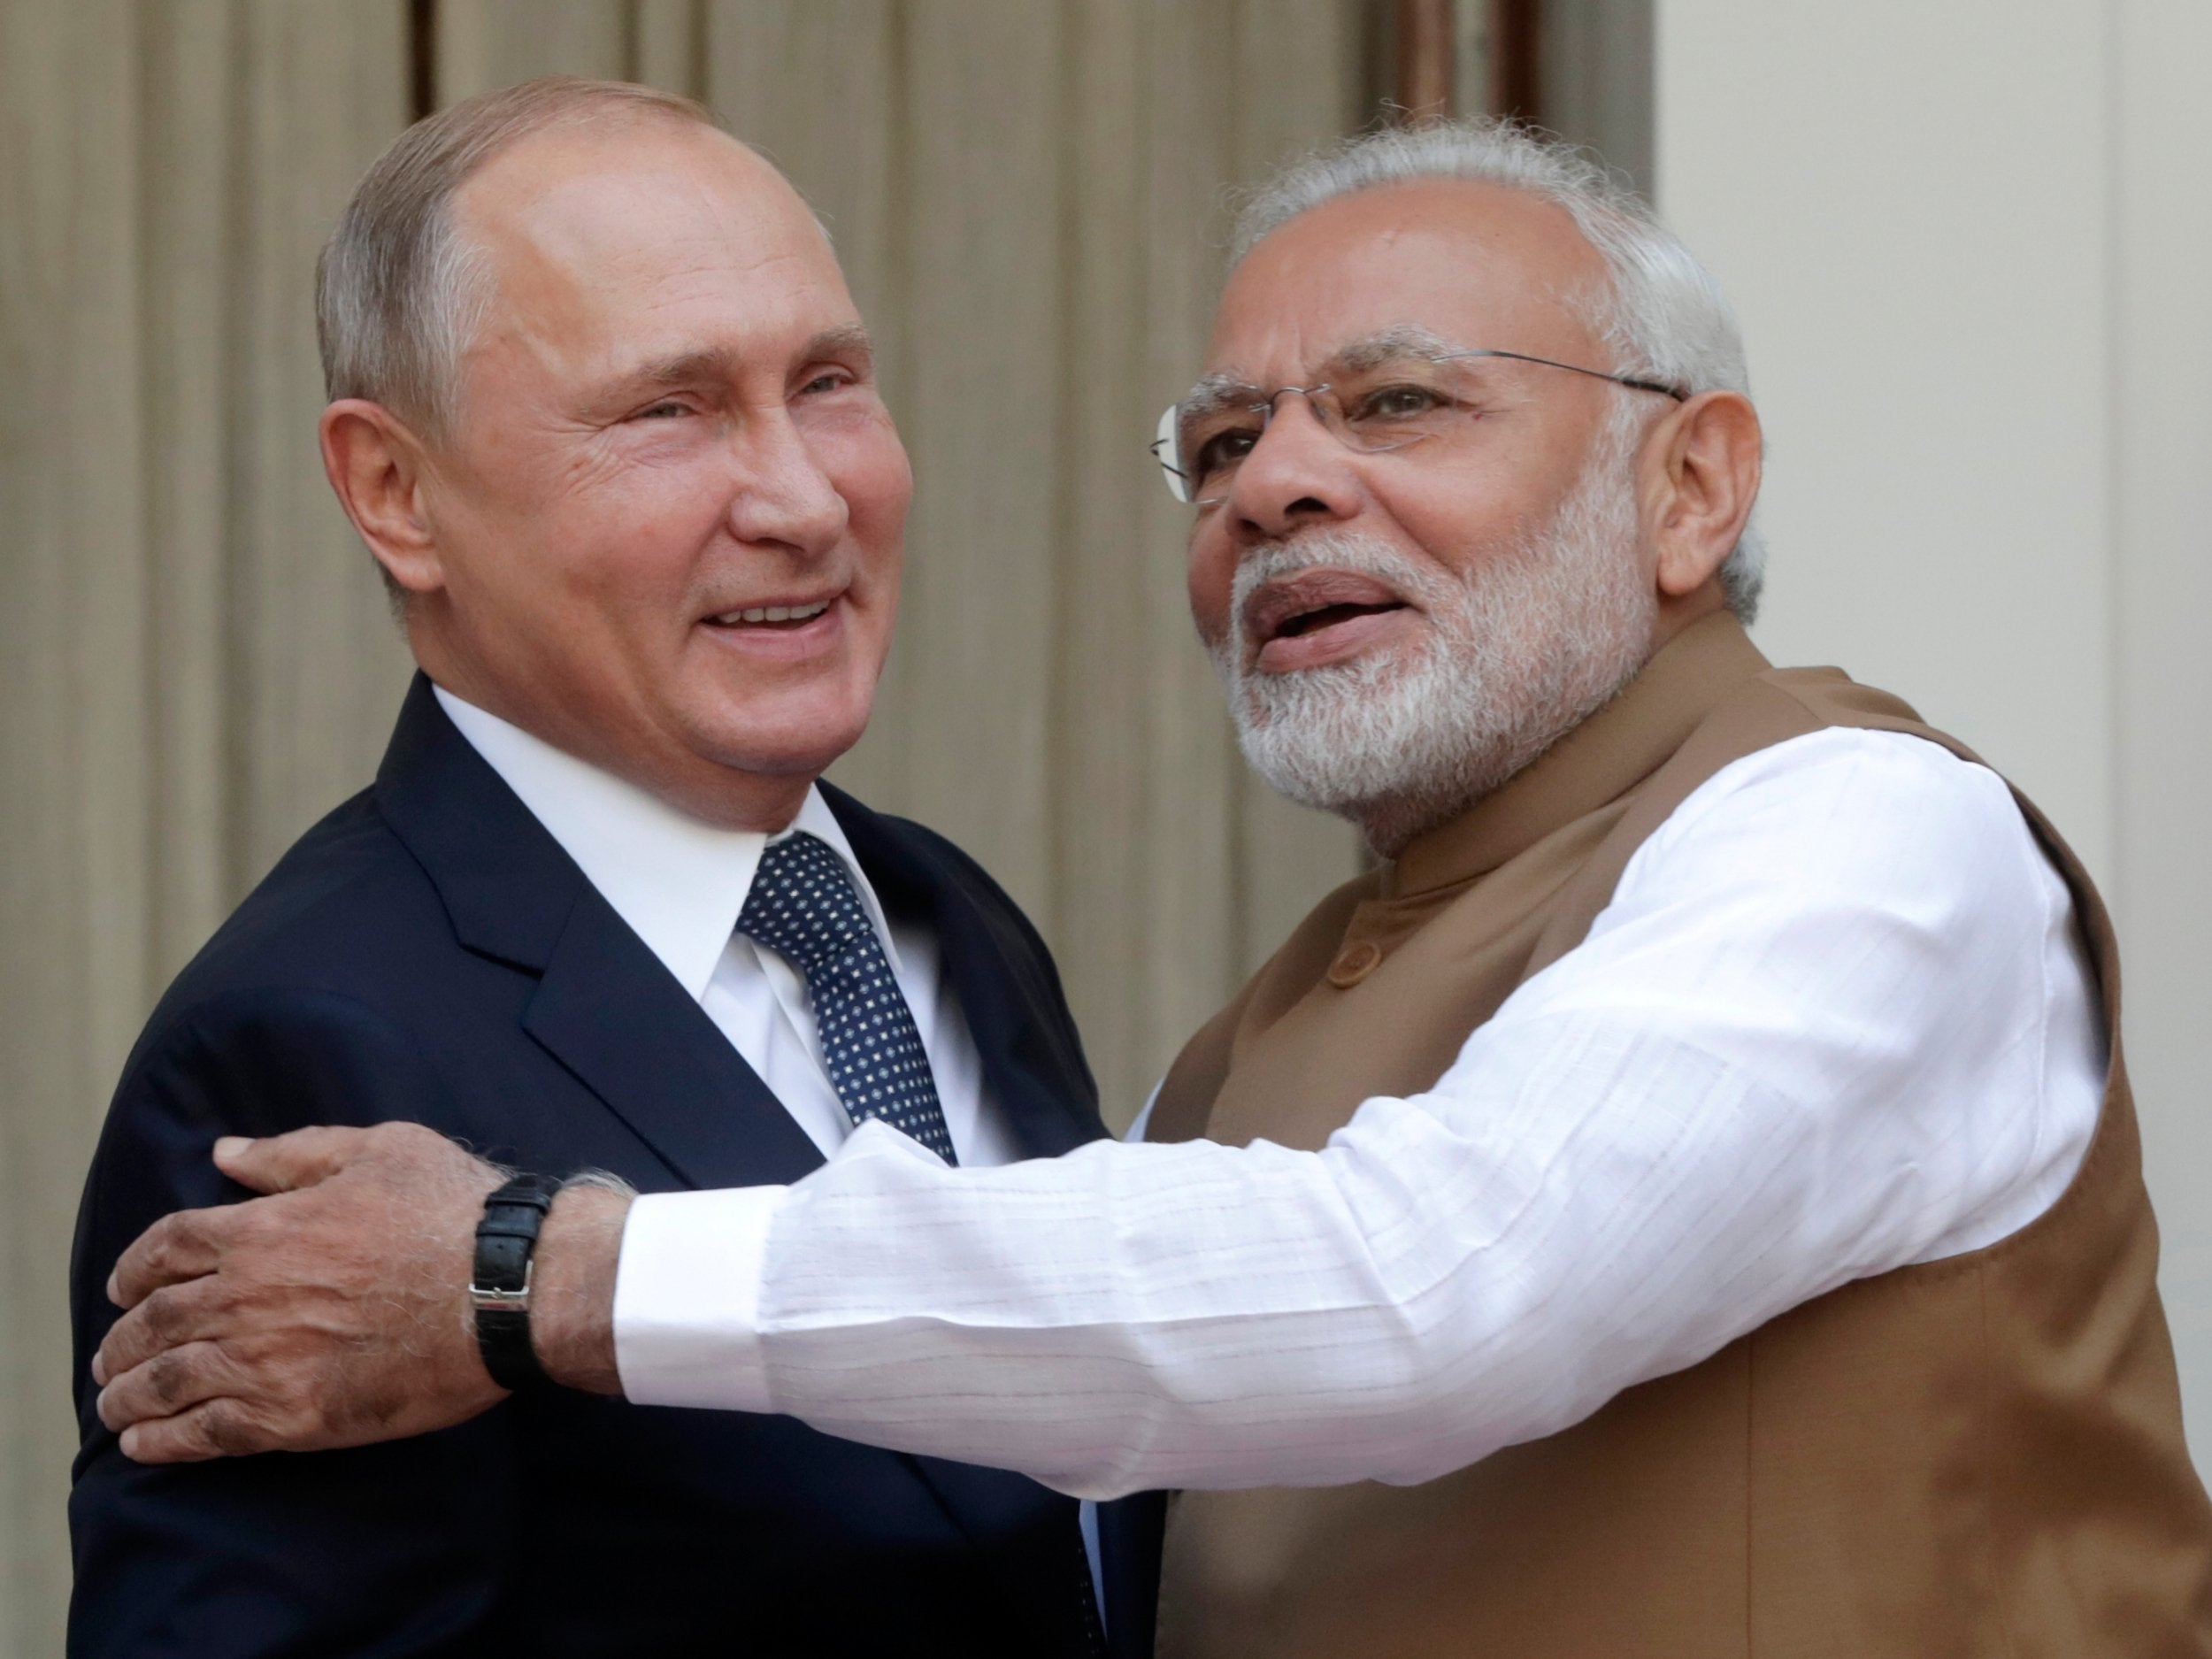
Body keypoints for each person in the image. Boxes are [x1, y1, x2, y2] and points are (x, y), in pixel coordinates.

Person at [91, 119, 2212, 1656]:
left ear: (1690, 483)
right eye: (1218, 443)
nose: (1277, 479)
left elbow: (1430, 1283)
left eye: (1394, 399)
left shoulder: (1862, 838)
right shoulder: (320, 1041)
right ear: (395, 490)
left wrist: (540, 1274)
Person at [66, 77, 1156, 1659]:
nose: (803, 498)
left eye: (831, 382)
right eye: (671, 409)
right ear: (397, 491)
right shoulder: (304, 1046)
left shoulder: (937, 913)